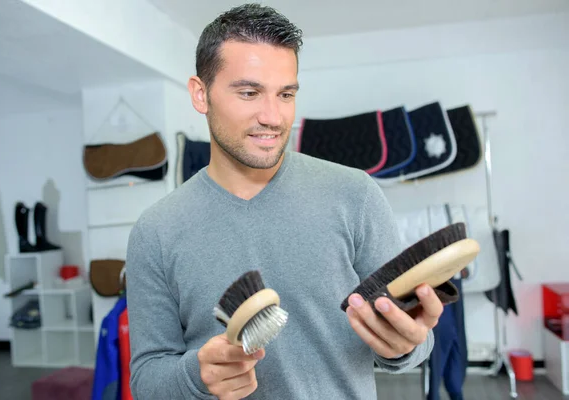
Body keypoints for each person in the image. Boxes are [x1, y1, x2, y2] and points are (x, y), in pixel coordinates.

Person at [125, 4, 444, 399]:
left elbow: (412, 339)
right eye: (249, 92)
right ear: (200, 94)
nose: (273, 117)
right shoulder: (155, 230)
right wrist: (196, 376)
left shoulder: (356, 196)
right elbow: (147, 379)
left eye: (286, 94)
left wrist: (407, 343)